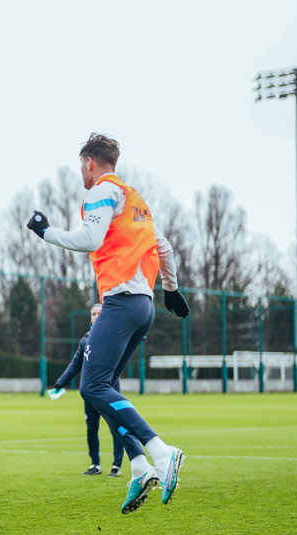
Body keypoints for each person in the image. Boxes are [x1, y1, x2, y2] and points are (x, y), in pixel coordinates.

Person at [26, 133, 190, 514]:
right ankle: (138, 468)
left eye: (80, 167)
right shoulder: (137, 203)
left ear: (89, 163)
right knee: (104, 389)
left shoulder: (101, 191)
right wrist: (171, 289)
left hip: (119, 303)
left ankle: (161, 452)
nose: (81, 173)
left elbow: (89, 238)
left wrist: (45, 232)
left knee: (92, 385)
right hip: (143, 305)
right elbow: (162, 247)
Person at [53, 303, 126, 478]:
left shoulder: (114, 336)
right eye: (93, 314)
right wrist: (60, 383)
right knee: (91, 429)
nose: (96, 316)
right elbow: (75, 364)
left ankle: (116, 465)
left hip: (109, 392)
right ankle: (95, 464)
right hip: (90, 394)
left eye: (99, 313)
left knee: (115, 428)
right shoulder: (86, 339)